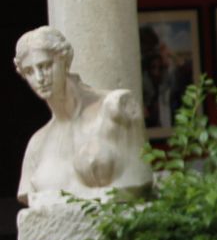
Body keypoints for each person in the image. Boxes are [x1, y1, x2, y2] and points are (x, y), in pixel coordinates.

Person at [15, 26, 152, 205]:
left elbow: (140, 180)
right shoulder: (37, 143)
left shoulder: (115, 107)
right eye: (30, 72)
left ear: (65, 60)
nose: (39, 78)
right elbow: (27, 196)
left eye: (45, 66)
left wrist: (55, 200)